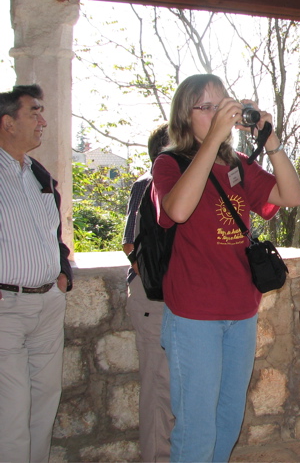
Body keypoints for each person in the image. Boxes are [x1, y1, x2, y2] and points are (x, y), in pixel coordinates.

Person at [152, 74, 300, 462]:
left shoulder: (236, 165)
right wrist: (214, 140)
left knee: (228, 420)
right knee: (196, 426)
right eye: (209, 107)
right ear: (186, 117)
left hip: (240, 310)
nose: (221, 113)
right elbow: (178, 210)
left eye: (225, 105)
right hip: (193, 314)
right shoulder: (169, 163)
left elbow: (292, 195)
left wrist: (272, 144)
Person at [0, 84, 73, 463]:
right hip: (7, 309)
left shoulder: (36, 174)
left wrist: (62, 274)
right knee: (10, 412)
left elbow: (52, 231)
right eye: (34, 113)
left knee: (44, 405)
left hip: (47, 304)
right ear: (8, 122)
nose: (43, 121)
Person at [122, 123, 173, 462]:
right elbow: (131, 244)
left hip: (177, 301)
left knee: (173, 390)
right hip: (155, 300)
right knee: (158, 390)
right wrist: (164, 285)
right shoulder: (148, 184)